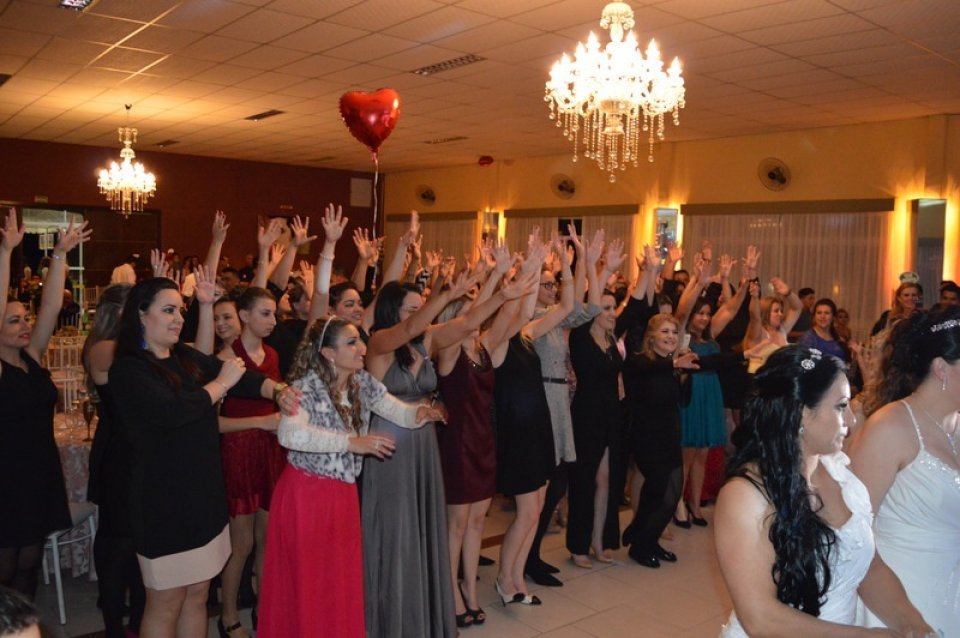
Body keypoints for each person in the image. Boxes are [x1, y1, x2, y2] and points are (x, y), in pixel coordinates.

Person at [108, 277, 294, 638]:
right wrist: (220, 384)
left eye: (180, 310)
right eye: (168, 310)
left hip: (203, 497)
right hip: (163, 504)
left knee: (197, 595)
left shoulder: (183, 356)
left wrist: (278, 388)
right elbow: (174, 411)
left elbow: (242, 377)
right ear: (141, 316)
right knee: (165, 603)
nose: (178, 318)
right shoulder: (129, 368)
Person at [715, 346, 933, 636]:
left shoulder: (841, 472)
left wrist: (914, 625)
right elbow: (762, 619)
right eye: (841, 406)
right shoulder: (746, 495)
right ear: (802, 414)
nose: (852, 421)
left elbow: (869, 566)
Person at [257, 316, 443, 638]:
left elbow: (395, 409)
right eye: (352, 342)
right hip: (306, 496)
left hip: (341, 496)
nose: (362, 348)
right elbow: (290, 435)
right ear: (328, 353)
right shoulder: (304, 387)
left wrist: (417, 415)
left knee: (337, 581)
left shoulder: (362, 383)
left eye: (360, 340)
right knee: (311, 583)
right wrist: (349, 442)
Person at [361, 271, 476, 636]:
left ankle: (422, 617)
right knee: (396, 534)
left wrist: (504, 288)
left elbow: (469, 322)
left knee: (423, 529)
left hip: (423, 444)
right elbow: (411, 327)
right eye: (413, 306)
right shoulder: (378, 342)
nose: (421, 313)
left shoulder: (425, 343)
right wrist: (441, 295)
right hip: (390, 446)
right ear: (394, 310)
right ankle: (391, 621)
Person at [433, 250, 537, 627]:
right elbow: (473, 316)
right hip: (457, 444)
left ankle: (470, 589)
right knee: (456, 525)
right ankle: (449, 594)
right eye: (467, 315)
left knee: (478, 522)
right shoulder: (446, 352)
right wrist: (493, 282)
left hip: (483, 441)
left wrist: (522, 273)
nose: (474, 321)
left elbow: (511, 316)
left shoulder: (484, 348)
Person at [848, 305, 960, 636]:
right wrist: (911, 624)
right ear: (941, 368)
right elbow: (852, 537)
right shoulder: (891, 426)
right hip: (903, 598)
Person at [0, 212, 90, 600]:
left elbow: (51, 308)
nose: (25, 324)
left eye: (25, 317)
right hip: (6, 477)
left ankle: (23, 628)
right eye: (13, 320)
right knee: (6, 566)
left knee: (30, 565)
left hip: (39, 472)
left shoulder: (32, 357)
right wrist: (6, 252)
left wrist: (59, 254)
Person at [214, 287, 286, 638]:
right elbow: (210, 422)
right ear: (244, 316)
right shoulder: (227, 356)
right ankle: (228, 617)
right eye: (265, 313)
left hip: (270, 452)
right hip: (239, 452)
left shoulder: (272, 353)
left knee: (268, 541)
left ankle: (264, 609)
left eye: (274, 314)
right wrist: (261, 423)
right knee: (240, 545)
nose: (273, 320)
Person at [81, 283, 145, 638]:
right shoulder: (106, 348)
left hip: (135, 447)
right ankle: (113, 624)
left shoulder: (130, 347)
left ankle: (136, 619)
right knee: (118, 540)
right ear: (122, 313)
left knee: (136, 538)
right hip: (117, 450)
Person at [621, 313, 699, 567]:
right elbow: (646, 372)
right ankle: (639, 544)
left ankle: (649, 538)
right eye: (665, 332)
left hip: (669, 434)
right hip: (646, 436)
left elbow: (683, 401)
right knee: (656, 490)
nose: (670, 337)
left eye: (674, 332)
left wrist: (685, 375)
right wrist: (676, 364)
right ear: (651, 337)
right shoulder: (639, 362)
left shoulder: (671, 365)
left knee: (672, 492)